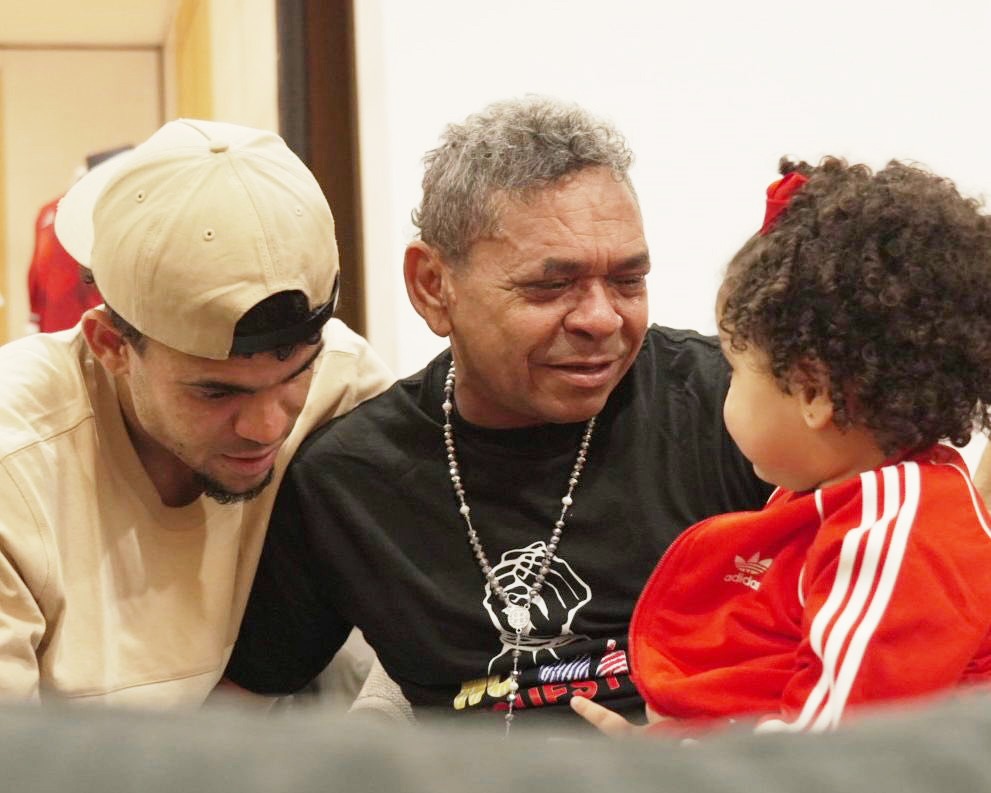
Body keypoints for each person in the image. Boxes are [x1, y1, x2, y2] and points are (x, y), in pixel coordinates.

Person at [225, 96, 773, 732]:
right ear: (433, 285)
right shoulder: (348, 482)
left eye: (628, 280)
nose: (601, 319)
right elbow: (239, 711)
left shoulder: (737, 407)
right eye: (550, 286)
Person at [572, 157, 991, 736]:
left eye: (736, 368)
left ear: (813, 391)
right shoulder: (839, 492)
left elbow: (834, 757)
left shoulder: (894, 534)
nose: (724, 389)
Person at [0, 118, 393, 704]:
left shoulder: (346, 385)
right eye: (215, 392)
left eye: (294, 374)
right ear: (111, 346)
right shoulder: (17, 460)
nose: (269, 427)